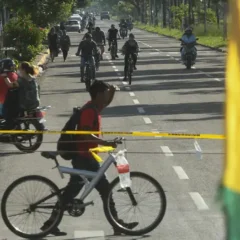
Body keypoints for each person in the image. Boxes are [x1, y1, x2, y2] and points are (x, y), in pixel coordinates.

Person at [41, 80, 138, 236]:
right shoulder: (88, 112)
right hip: (83, 158)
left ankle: (117, 225)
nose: (107, 96)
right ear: (99, 94)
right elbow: (87, 135)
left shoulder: (94, 107)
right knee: (82, 191)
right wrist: (105, 142)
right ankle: (50, 224)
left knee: (102, 190)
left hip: (89, 157)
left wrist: (112, 92)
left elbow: (105, 104)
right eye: (105, 93)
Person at [1, 62, 40, 128]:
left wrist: (5, 76)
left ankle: (9, 126)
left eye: (19, 68)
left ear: (23, 70)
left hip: (25, 104)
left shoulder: (21, 81)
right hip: (35, 103)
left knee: (8, 111)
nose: (17, 70)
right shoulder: (33, 79)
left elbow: (10, 85)